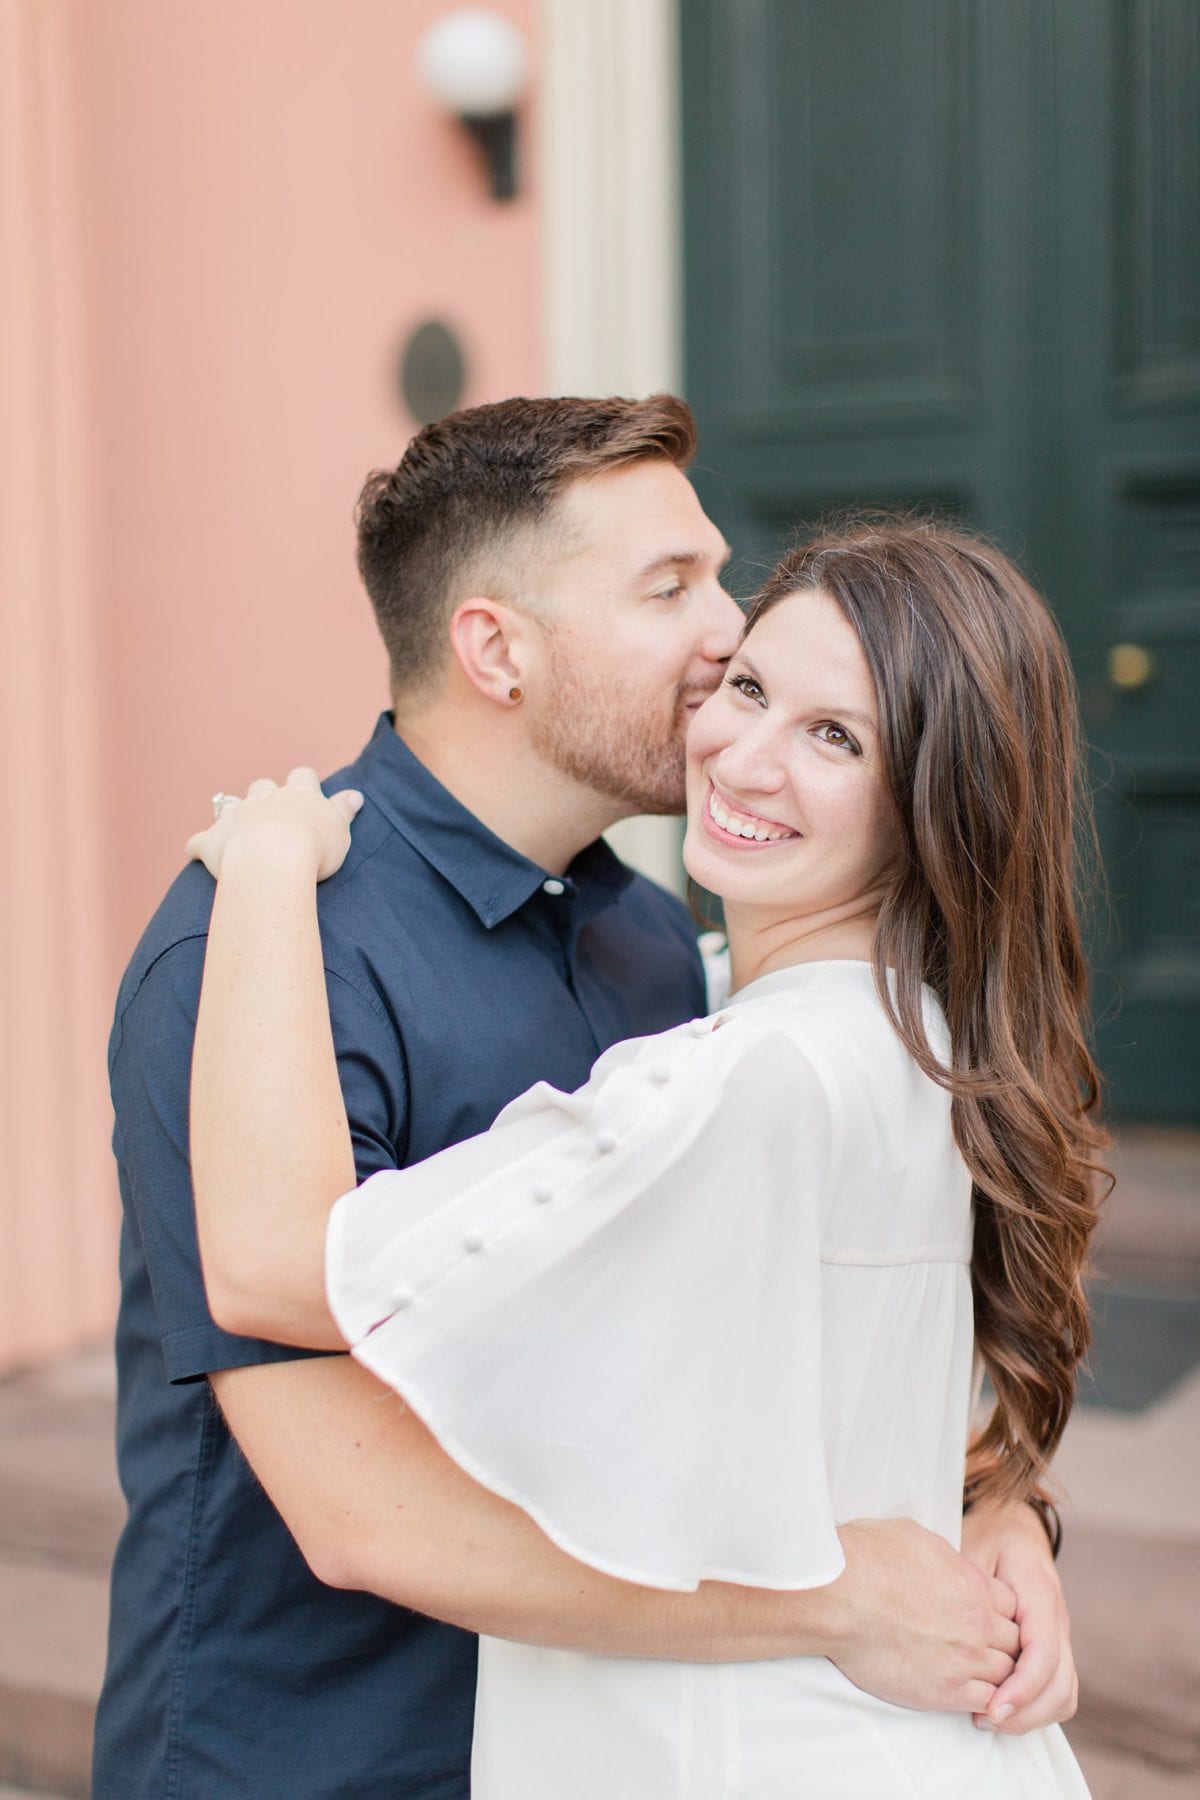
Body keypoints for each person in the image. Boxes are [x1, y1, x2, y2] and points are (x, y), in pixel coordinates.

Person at [96, 398, 1075, 1800]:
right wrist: (840, 1599)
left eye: (720, 576)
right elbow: (356, 1508)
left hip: (596, 1747)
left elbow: (779, 1320)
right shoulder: (255, 961)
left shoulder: (658, 942)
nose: (729, 631)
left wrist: (992, 1506)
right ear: (497, 648)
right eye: (669, 589)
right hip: (321, 1753)